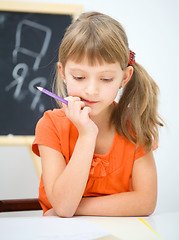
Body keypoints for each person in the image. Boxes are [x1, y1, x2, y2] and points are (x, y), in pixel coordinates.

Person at [32, 11, 163, 218]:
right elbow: (65, 207)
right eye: (80, 77)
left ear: (124, 77)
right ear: (63, 73)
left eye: (106, 79)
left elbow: (145, 202)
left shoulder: (135, 125)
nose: (91, 90)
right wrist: (86, 135)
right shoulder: (50, 126)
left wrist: (78, 208)